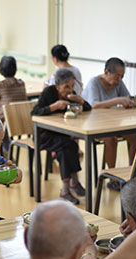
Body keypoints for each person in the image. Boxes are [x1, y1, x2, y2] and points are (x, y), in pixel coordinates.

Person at [82, 57, 136, 190]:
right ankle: (112, 177)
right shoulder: (94, 82)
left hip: (114, 123)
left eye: (122, 76)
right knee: (111, 139)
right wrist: (117, 101)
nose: (119, 80)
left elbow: (126, 97)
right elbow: (94, 105)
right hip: (93, 125)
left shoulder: (118, 83)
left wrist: (134, 101)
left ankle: (131, 174)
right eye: (117, 76)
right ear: (107, 72)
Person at [32, 69, 89, 204]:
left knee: (71, 145)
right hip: (44, 135)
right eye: (66, 87)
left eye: (72, 86)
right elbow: (35, 112)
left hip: (61, 134)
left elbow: (88, 109)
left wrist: (81, 101)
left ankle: (71, 185)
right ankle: (67, 188)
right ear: (57, 86)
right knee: (67, 147)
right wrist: (54, 106)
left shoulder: (72, 95)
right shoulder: (49, 93)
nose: (70, 90)